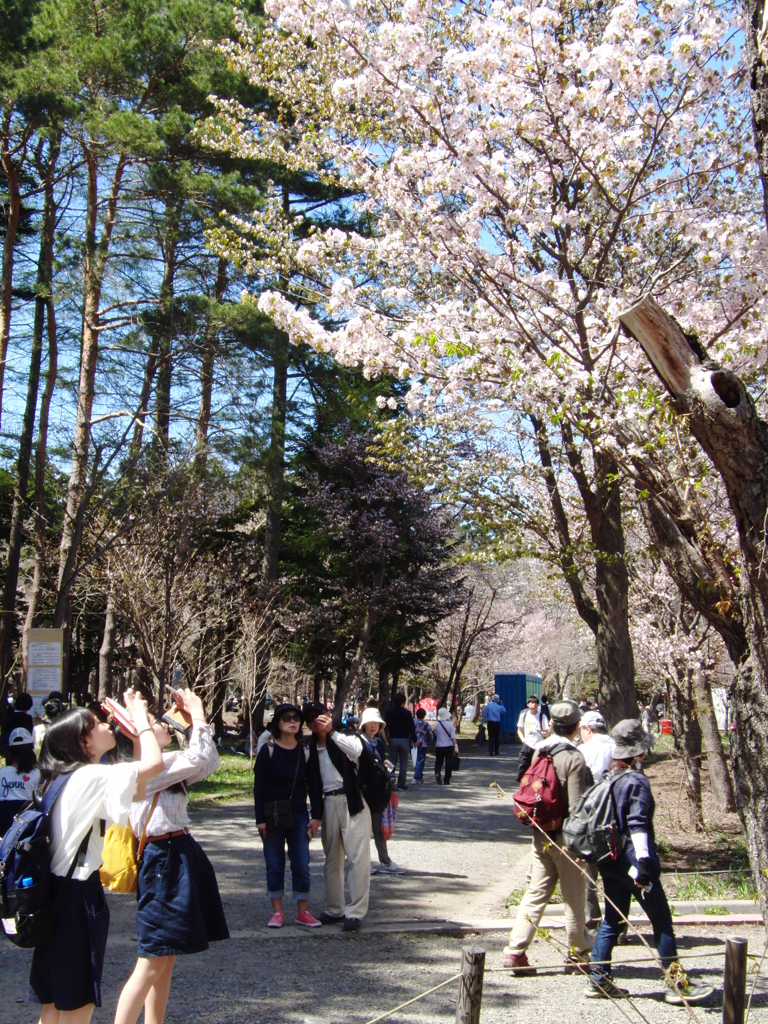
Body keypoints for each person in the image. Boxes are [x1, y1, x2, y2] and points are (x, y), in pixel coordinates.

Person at [28, 691, 162, 1024]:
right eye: (98, 723)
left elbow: (139, 790)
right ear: (83, 741)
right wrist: (142, 720)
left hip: (52, 895)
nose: (106, 726)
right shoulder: (90, 776)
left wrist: (134, 736)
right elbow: (155, 766)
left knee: (53, 1004)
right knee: (77, 1003)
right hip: (75, 897)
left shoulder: (63, 777)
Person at [114, 689, 229, 1024]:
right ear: (139, 733)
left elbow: (209, 762)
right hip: (162, 857)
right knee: (151, 958)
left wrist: (195, 722)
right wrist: (199, 715)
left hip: (176, 852)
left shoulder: (164, 766)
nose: (164, 724)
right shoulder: (145, 769)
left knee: (165, 956)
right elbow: (197, 758)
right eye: (154, 722)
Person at [586, 720, 714, 1003]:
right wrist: (643, 864)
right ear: (637, 752)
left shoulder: (609, 777)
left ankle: (598, 978)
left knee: (613, 919)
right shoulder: (636, 780)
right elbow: (638, 824)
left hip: (610, 861)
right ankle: (676, 985)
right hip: (633, 861)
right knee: (662, 922)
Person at [504, 699, 592, 976]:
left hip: (541, 834)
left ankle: (515, 950)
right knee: (574, 899)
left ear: (551, 724)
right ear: (577, 727)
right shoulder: (574, 758)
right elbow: (576, 806)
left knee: (535, 893)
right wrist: (580, 847)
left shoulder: (539, 752)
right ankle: (578, 956)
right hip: (565, 840)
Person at [252, 703, 323, 927]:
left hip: (299, 814)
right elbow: (259, 787)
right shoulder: (268, 750)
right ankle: (277, 912)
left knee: (301, 862)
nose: (292, 721)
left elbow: (314, 784)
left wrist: (316, 816)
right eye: (287, 718)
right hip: (272, 814)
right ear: (278, 724)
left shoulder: (305, 751)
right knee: (274, 862)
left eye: (296, 718)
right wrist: (259, 820)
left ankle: (302, 911)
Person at [304, 701, 371, 931]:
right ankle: (334, 909)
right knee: (332, 858)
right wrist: (315, 814)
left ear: (329, 715)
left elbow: (357, 751)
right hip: (329, 801)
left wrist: (332, 731)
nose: (315, 720)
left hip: (352, 800)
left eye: (318, 715)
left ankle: (355, 912)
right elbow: (313, 783)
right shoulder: (311, 747)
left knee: (357, 858)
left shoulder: (343, 734)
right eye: (310, 718)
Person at [577, 710, 615, 934]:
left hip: (591, 819)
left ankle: (592, 924)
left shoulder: (582, 751)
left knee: (589, 876)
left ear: (588, 729)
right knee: (615, 875)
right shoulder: (619, 749)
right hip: (616, 820)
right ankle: (617, 926)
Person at [360, 708, 404, 875]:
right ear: (363, 725)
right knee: (363, 830)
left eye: (376, 723)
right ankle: (364, 863)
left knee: (379, 828)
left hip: (378, 792)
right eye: (370, 723)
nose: (373, 726)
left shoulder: (377, 742)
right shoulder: (359, 742)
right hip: (364, 792)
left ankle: (384, 860)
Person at [0, 727, 39, 835]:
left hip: (4, 830)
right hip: (27, 830)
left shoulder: (1, 773)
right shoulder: (37, 774)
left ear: (9, 752)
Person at [385, 693, 416, 790]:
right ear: (403, 702)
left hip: (393, 738)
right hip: (404, 739)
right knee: (403, 762)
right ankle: (401, 783)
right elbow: (411, 728)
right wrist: (414, 740)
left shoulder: (389, 712)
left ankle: (391, 777)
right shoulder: (407, 713)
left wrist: (386, 739)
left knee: (391, 761)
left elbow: (386, 726)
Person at [516, 694, 549, 781]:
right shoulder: (524, 715)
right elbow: (519, 730)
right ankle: (522, 785)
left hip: (538, 746)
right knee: (523, 766)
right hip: (527, 745)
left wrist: (541, 732)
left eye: (535, 703)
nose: (533, 705)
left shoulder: (542, 716)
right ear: (528, 704)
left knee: (537, 769)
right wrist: (523, 740)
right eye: (531, 703)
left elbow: (547, 733)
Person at [434, 707, 458, 785]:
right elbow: (453, 737)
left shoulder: (436, 724)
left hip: (439, 746)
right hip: (449, 746)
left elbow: (436, 734)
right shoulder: (450, 725)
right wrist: (456, 746)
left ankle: (437, 773)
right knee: (449, 763)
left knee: (438, 762)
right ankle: (446, 780)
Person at [413, 708, 434, 782]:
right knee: (420, 760)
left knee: (414, 759)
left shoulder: (413, 722)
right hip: (423, 744)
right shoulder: (426, 724)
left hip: (413, 743)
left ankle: (419, 774)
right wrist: (431, 740)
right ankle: (416, 776)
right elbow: (430, 734)